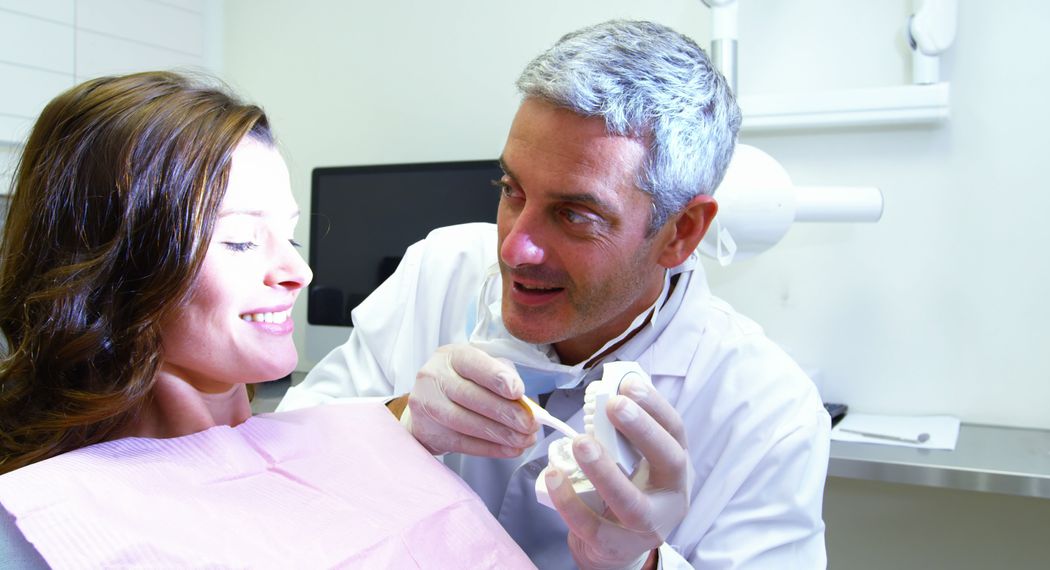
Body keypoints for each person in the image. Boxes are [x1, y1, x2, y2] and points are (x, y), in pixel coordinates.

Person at [280, 19, 831, 569]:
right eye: (511, 191)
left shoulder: (768, 413)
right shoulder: (438, 271)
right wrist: (398, 422)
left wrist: (640, 562)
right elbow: (280, 463)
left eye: (575, 215)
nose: (516, 250)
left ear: (681, 231)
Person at [0, 72, 534, 568]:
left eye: (293, 235)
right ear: (112, 264)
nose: (299, 271)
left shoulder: (355, 438)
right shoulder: (41, 514)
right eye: (240, 241)